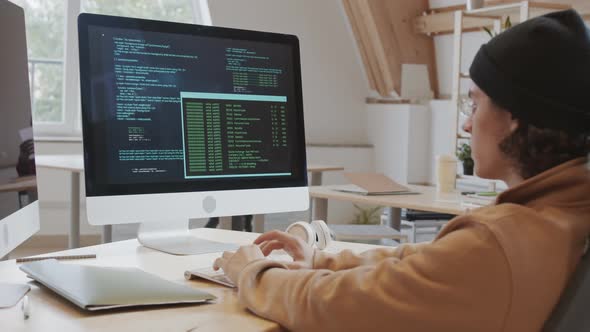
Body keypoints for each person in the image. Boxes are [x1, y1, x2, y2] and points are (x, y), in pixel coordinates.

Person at [213, 10, 590, 331]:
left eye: (474, 106)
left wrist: (254, 272)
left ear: (512, 118)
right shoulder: (561, 217)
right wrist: (323, 260)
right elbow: (426, 265)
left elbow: (333, 306)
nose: (466, 126)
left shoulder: (499, 243)